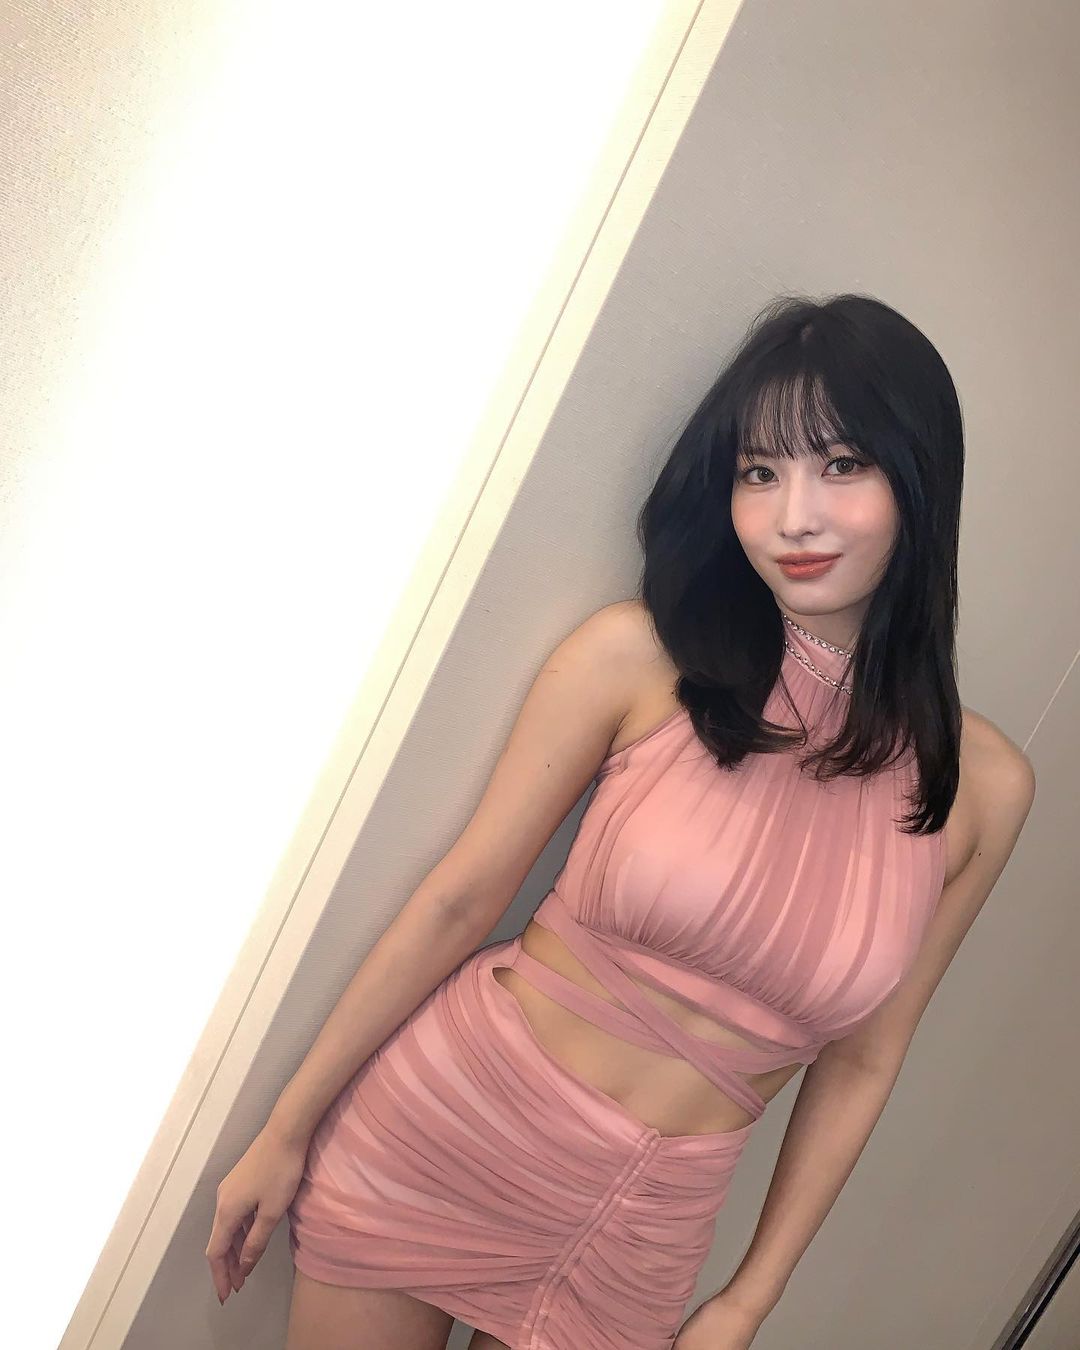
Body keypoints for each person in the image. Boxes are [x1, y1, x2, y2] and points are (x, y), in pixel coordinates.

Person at [206, 293, 1036, 1350]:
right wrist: (286, 1128)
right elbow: (462, 897)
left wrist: (747, 1300)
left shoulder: (981, 786)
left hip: (649, 1230)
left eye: (841, 464)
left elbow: (866, 1061)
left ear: (920, 478)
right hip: (452, 1127)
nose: (794, 516)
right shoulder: (637, 657)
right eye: (759, 472)